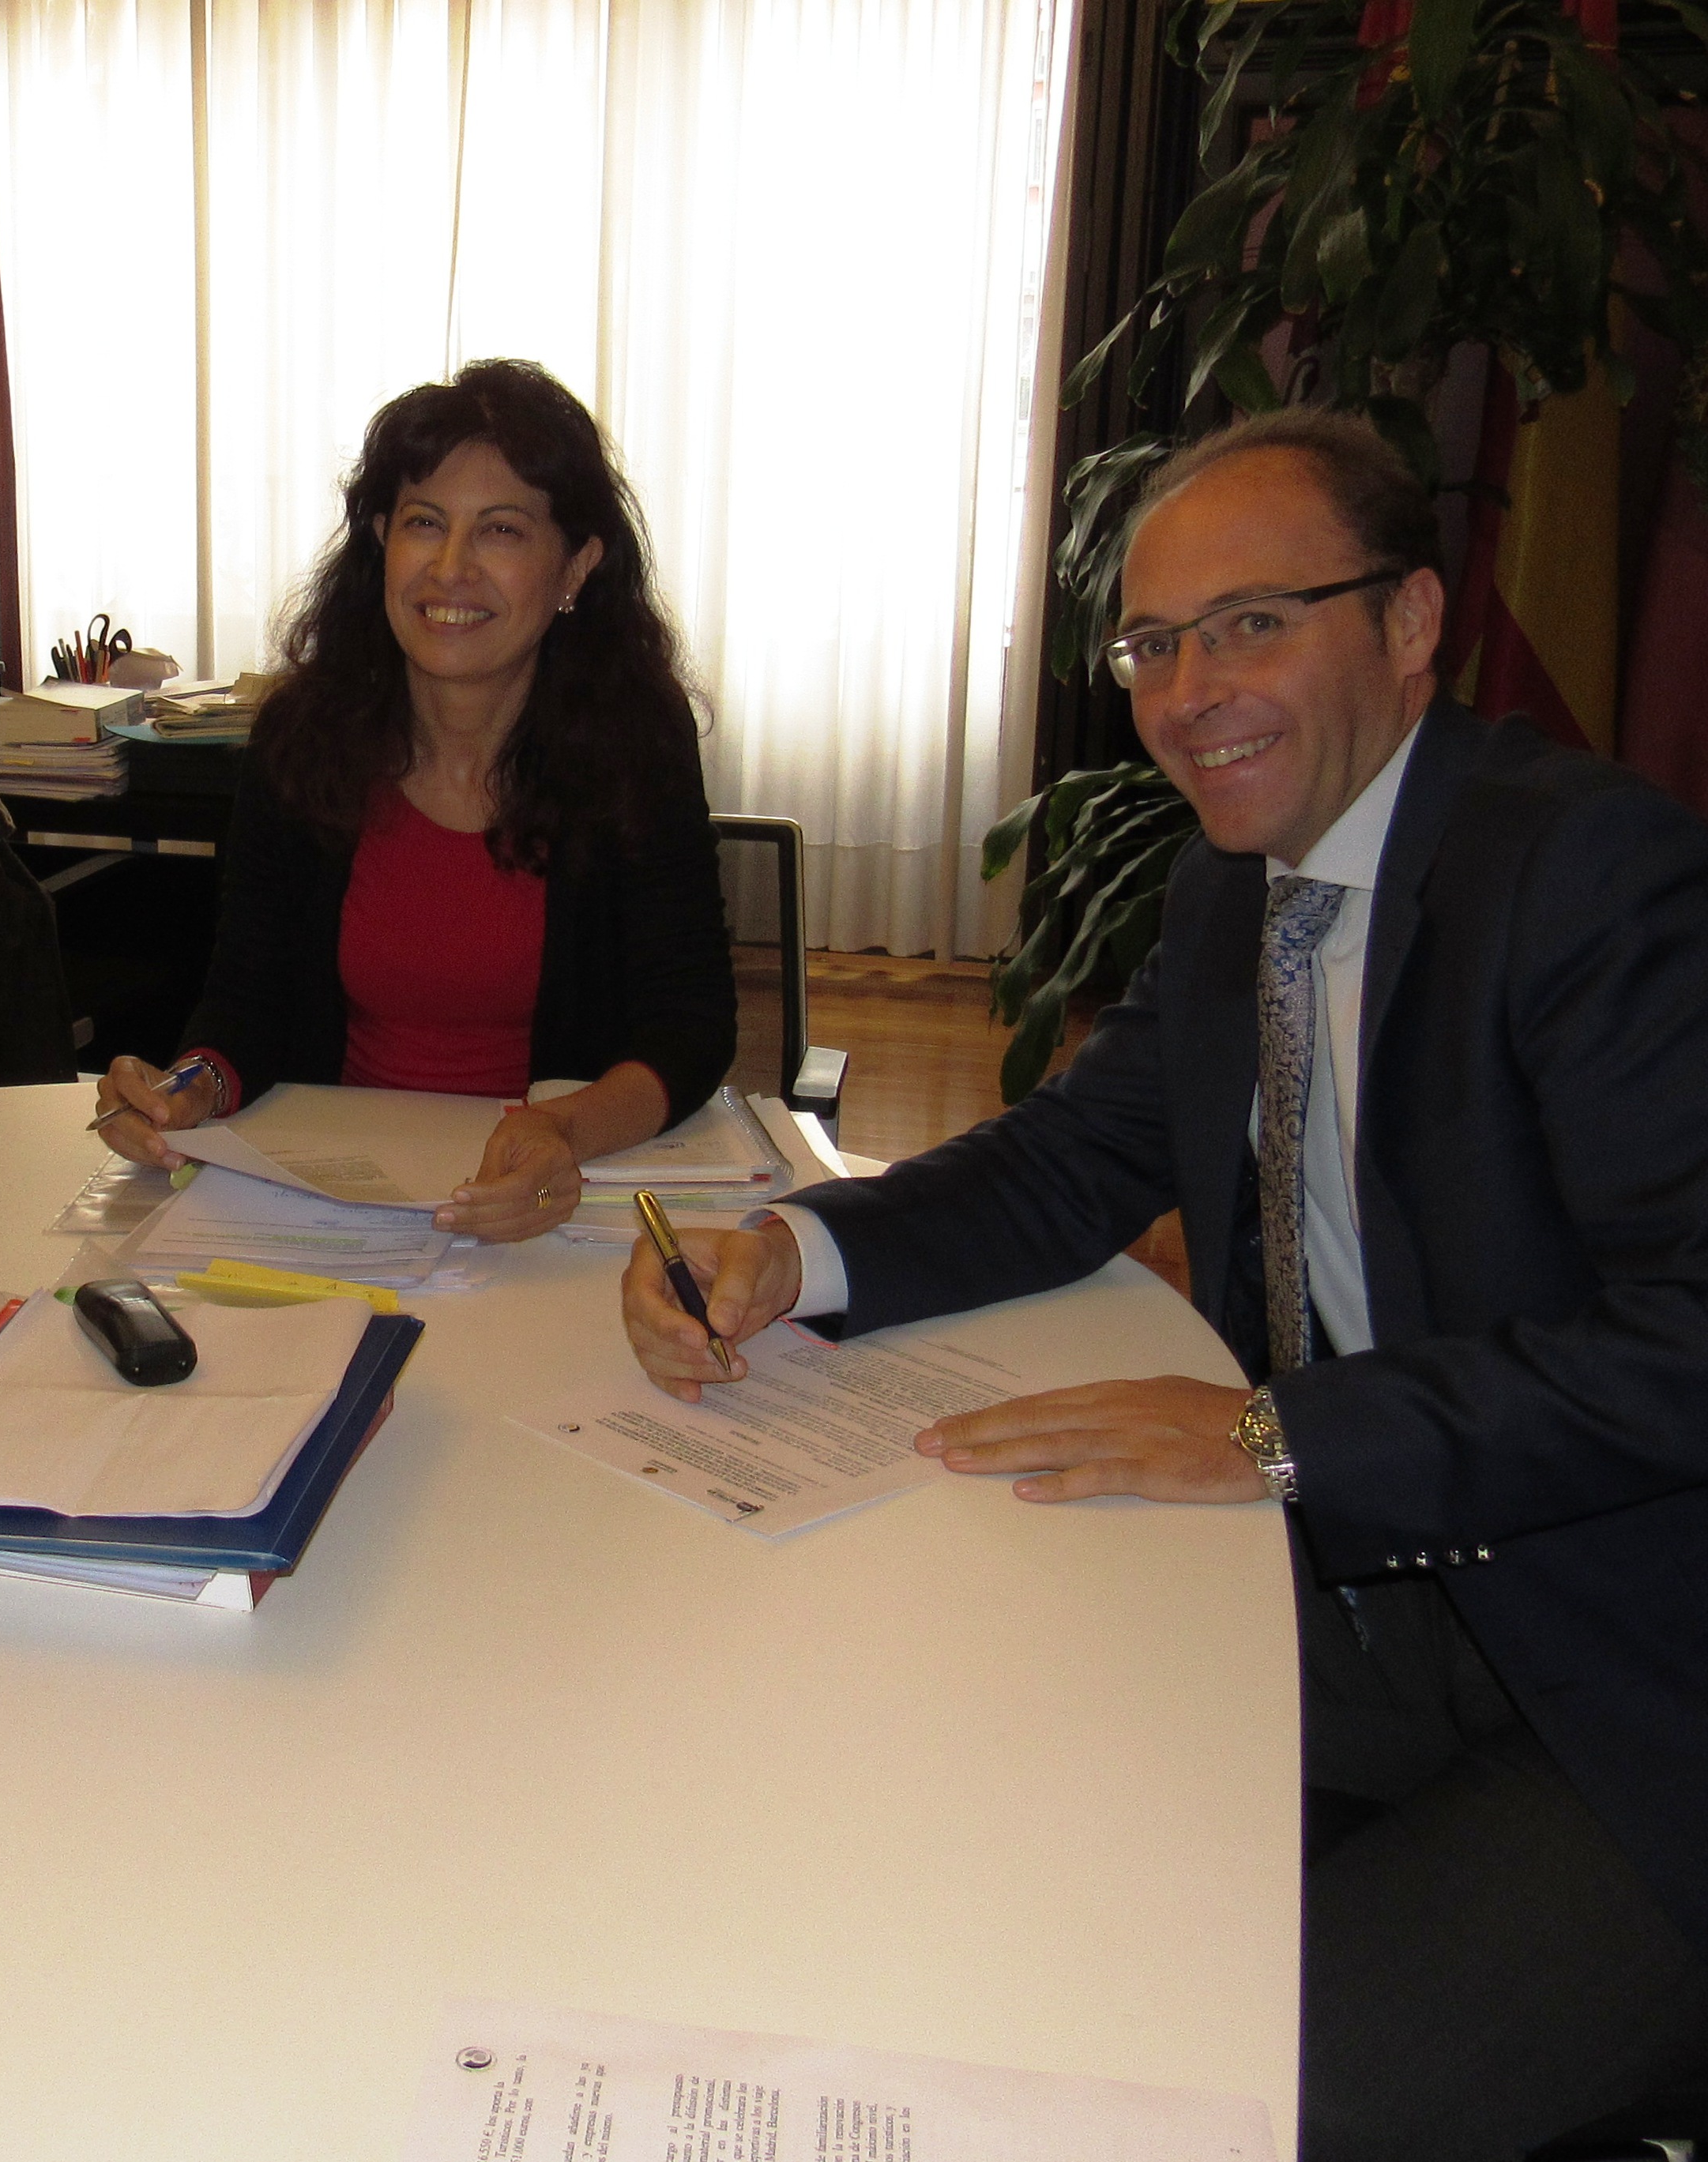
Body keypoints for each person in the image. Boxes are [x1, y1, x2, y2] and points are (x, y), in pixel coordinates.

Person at [622, 408, 1708, 2159]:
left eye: (1251, 623)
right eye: (1152, 644)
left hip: (1629, 1676)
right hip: (1381, 1599)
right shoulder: (1235, 892)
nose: (1190, 692)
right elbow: (1066, 1159)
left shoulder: (1580, 874)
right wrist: (789, 1253)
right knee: (942, 1749)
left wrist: (1278, 1433)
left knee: (1243, 2099)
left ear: (1410, 621)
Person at [92, 359, 734, 1243]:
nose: (450, 567)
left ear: (575, 567)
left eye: (500, 530)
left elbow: (688, 1027)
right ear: (381, 541)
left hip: (546, 1203)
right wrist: (187, 1085)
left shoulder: (633, 744)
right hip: (330, 1200)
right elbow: (247, 1001)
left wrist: (561, 1131)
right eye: (423, 523)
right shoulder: (304, 739)